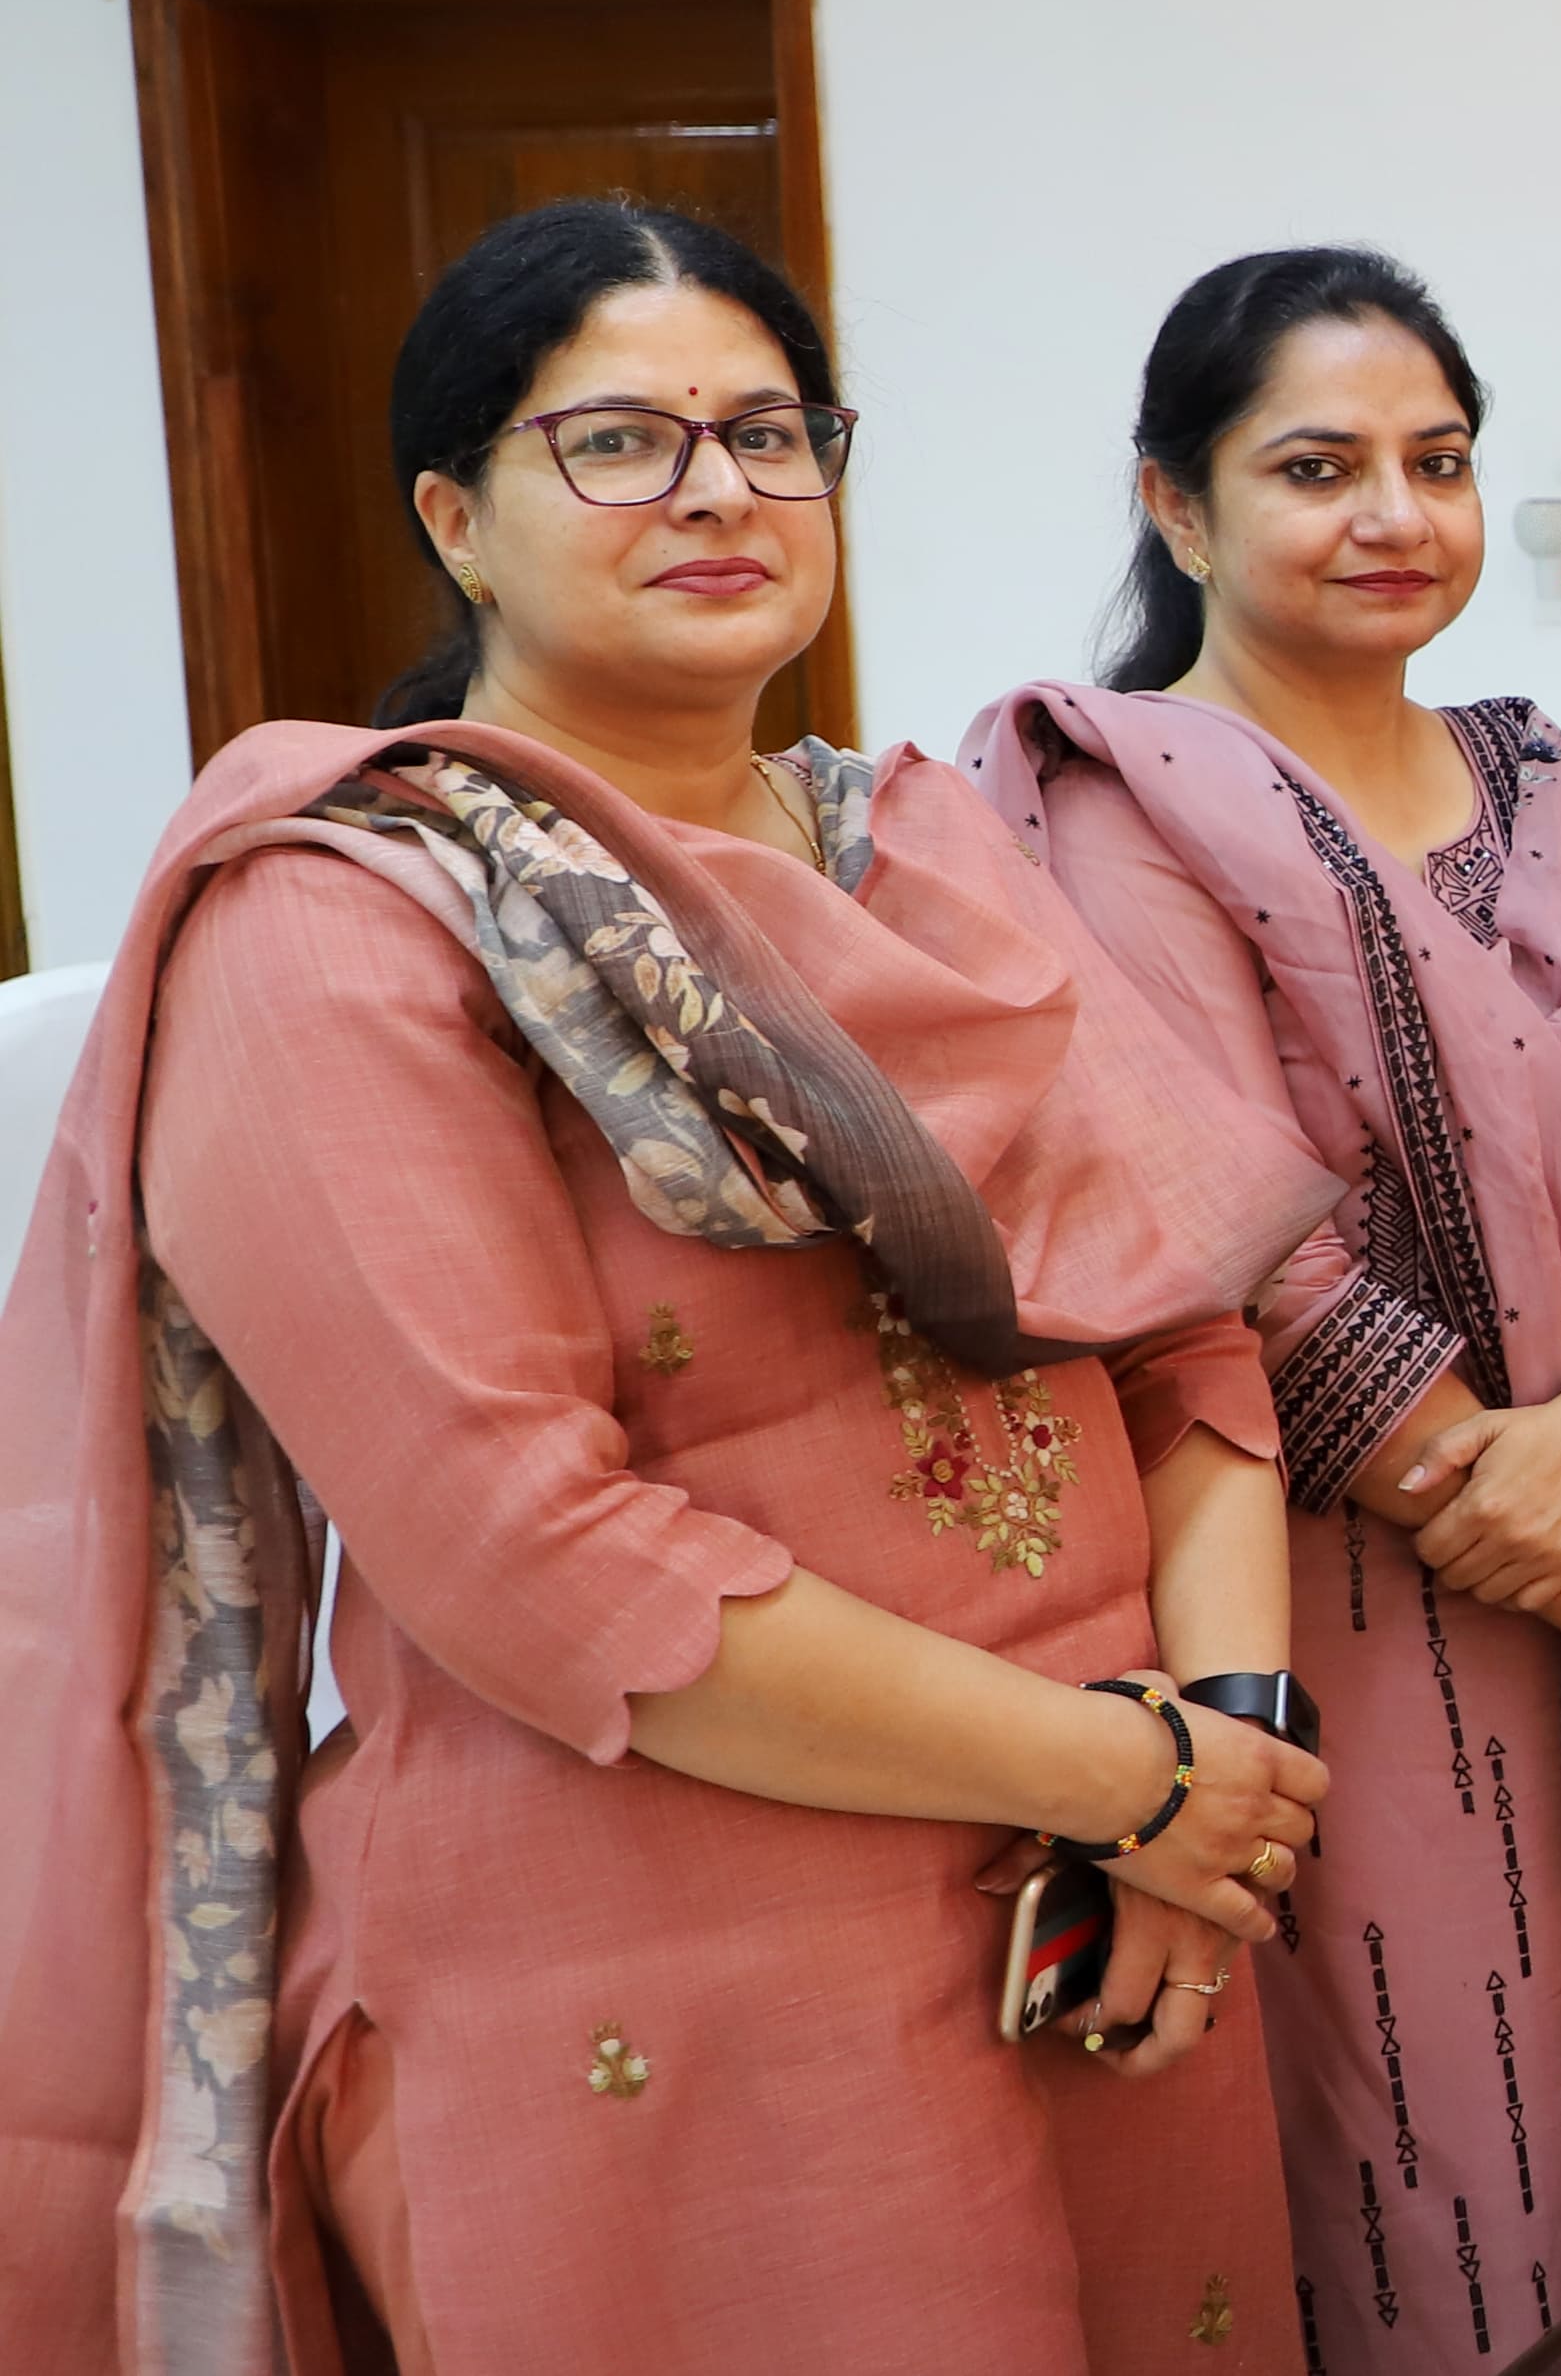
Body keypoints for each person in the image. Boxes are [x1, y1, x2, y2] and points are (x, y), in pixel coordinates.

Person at [0, 201, 1335, 2374]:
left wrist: (1224, 1768)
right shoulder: (341, 928)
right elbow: (536, 1554)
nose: (719, 488)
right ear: (456, 517)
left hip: (1112, 1921)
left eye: (770, 431)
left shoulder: (924, 855)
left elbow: (1188, 1334)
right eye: (618, 439)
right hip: (680, 1981)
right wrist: (1147, 1780)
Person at [964, 250, 1561, 2372]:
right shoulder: (1117, 805)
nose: (1395, 512)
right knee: (1440, 2159)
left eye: (1440, 459)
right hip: (1349, 1600)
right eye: (1318, 468)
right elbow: (1252, 1255)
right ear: (1176, 503)